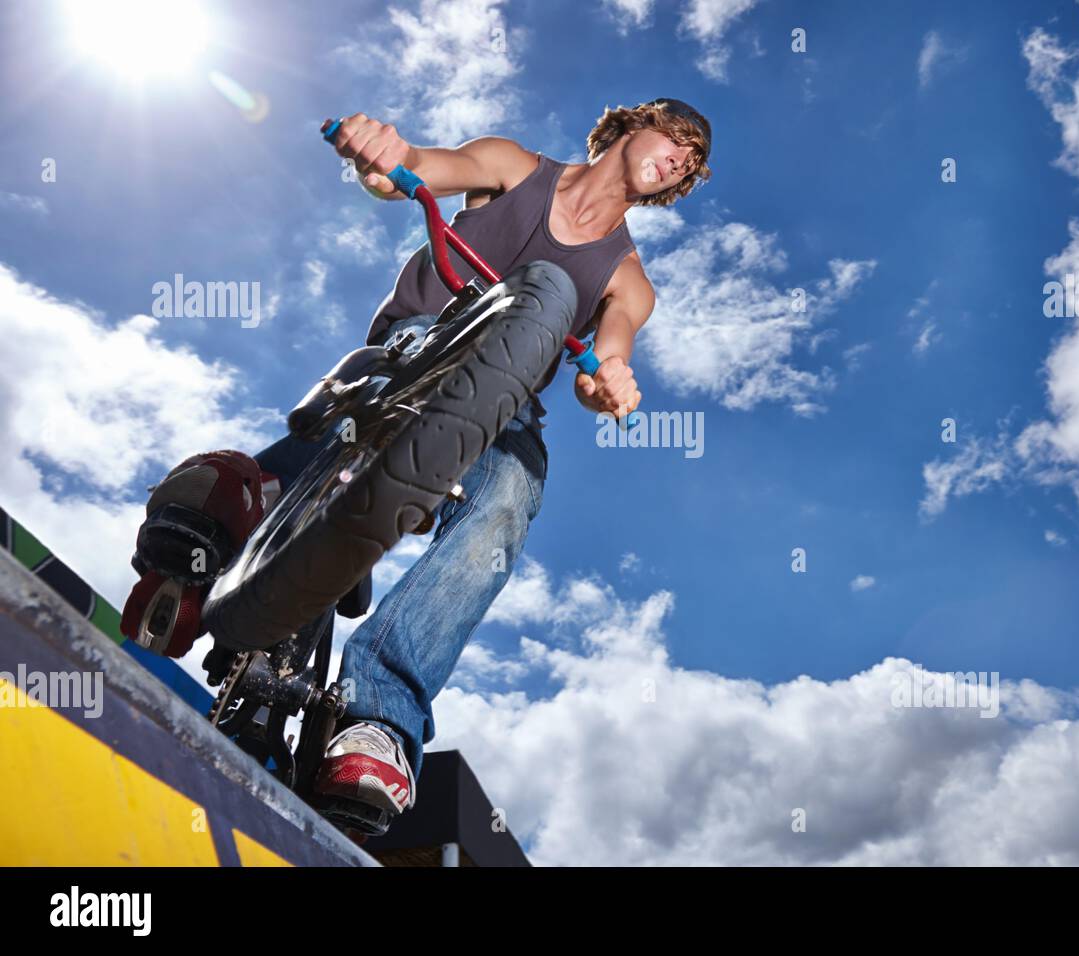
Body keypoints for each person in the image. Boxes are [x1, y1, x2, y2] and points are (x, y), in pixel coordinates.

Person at [122, 97, 713, 827]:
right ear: (628, 127)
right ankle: (214, 531)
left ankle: (378, 719)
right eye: (676, 139)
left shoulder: (629, 280)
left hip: (505, 408)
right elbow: (426, 169)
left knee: (511, 495)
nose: (679, 160)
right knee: (349, 419)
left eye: (691, 163)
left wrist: (610, 381)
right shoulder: (515, 166)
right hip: (418, 347)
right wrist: (383, 158)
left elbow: (607, 357)